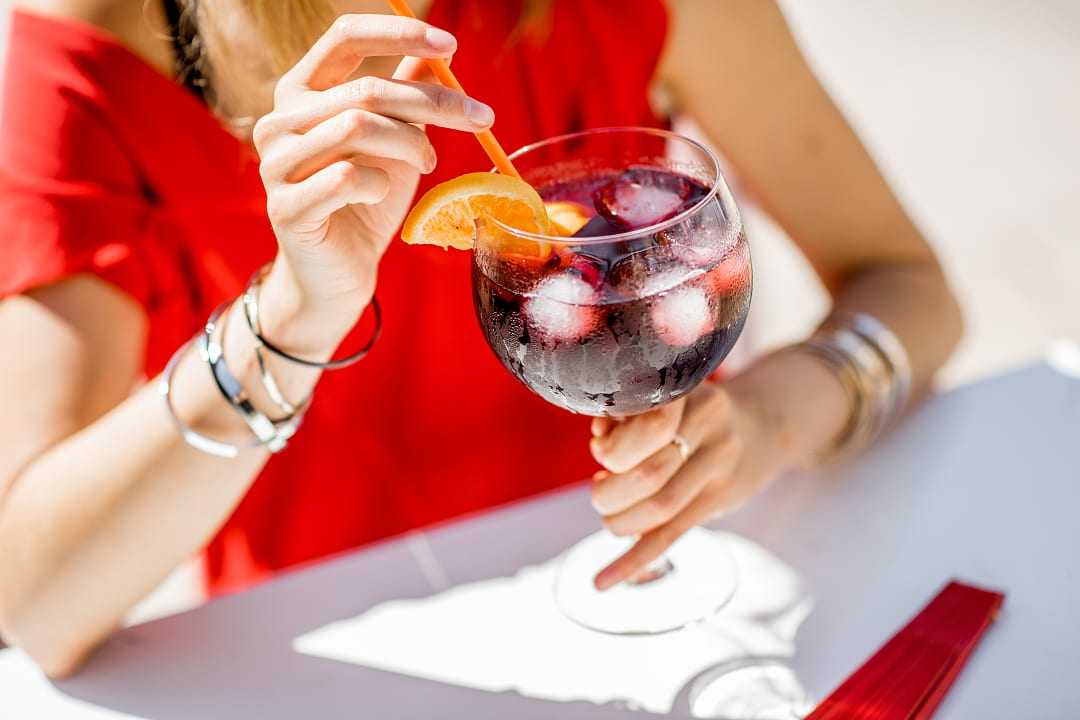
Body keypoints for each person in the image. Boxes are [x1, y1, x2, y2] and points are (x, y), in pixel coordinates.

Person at [0, 0, 962, 677]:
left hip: (685, 626)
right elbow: (34, 602)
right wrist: (291, 315)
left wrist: (776, 416)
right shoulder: (102, 45)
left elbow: (913, 288)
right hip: (350, 669)